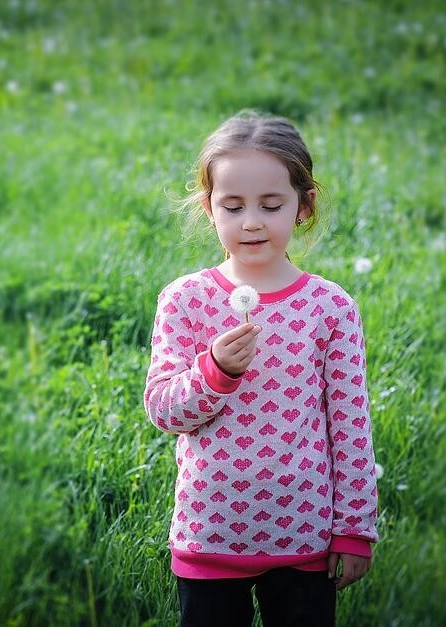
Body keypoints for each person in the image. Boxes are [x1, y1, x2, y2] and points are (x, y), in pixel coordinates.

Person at [143, 110, 379, 627]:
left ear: (303, 206)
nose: (251, 221)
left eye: (271, 205)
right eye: (233, 205)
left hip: (305, 538)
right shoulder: (187, 300)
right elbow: (163, 410)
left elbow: (351, 425)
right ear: (209, 209)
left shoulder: (330, 307)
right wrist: (215, 372)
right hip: (210, 533)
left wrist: (355, 530)